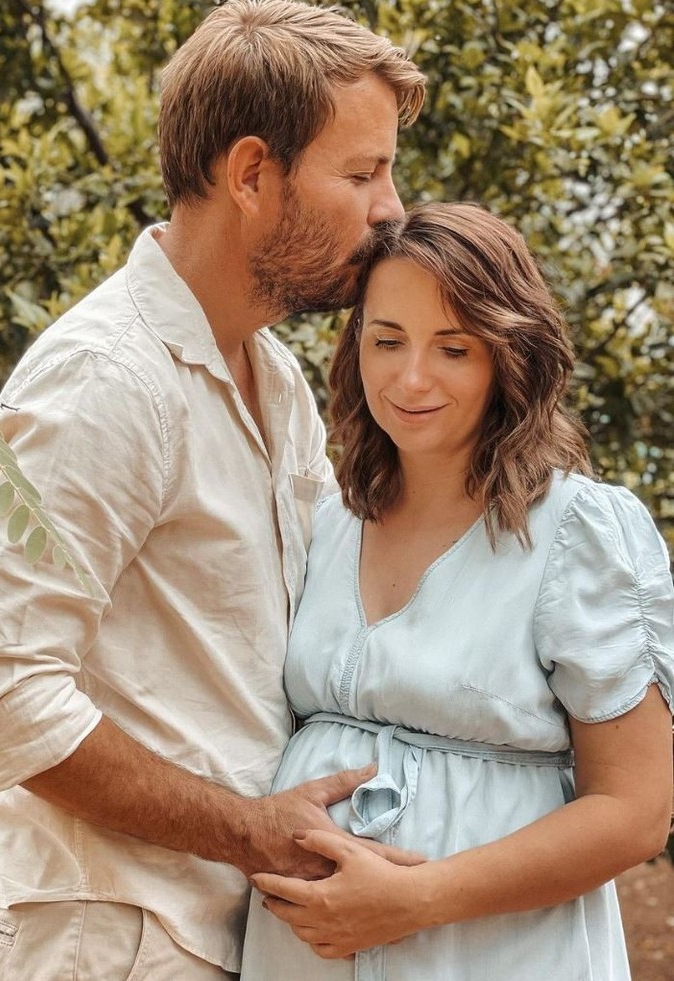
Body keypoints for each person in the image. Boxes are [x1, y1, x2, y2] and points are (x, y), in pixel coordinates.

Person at [0, 2, 426, 979]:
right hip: (100, 936)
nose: (392, 209)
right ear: (252, 173)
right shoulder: (110, 378)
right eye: (363, 172)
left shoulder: (273, 377)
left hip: (209, 931)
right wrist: (252, 831)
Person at [241, 201, 674, 980]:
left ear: (508, 354)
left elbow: (636, 811)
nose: (410, 378)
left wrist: (417, 898)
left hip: (496, 954)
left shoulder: (578, 533)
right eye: (387, 340)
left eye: (453, 347)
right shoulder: (324, 516)